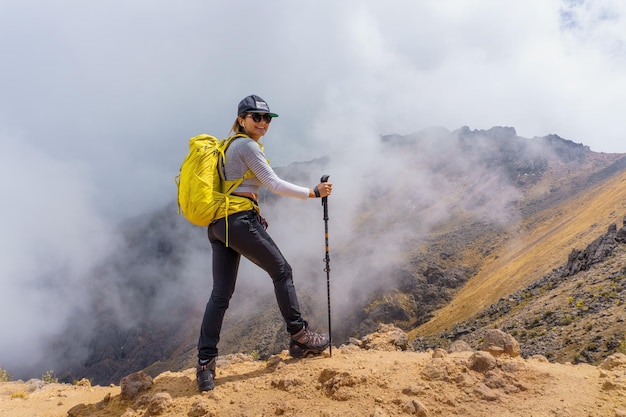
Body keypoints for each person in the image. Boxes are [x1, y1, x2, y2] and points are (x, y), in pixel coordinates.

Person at [196, 94, 333, 392]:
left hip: (219, 224)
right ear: (241, 119)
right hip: (238, 221)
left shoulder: (228, 147)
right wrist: (314, 192)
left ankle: (205, 365)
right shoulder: (245, 145)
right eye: (256, 117)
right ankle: (299, 337)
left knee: (220, 294)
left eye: (267, 118)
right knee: (282, 271)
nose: (262, 123)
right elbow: (274, 183)